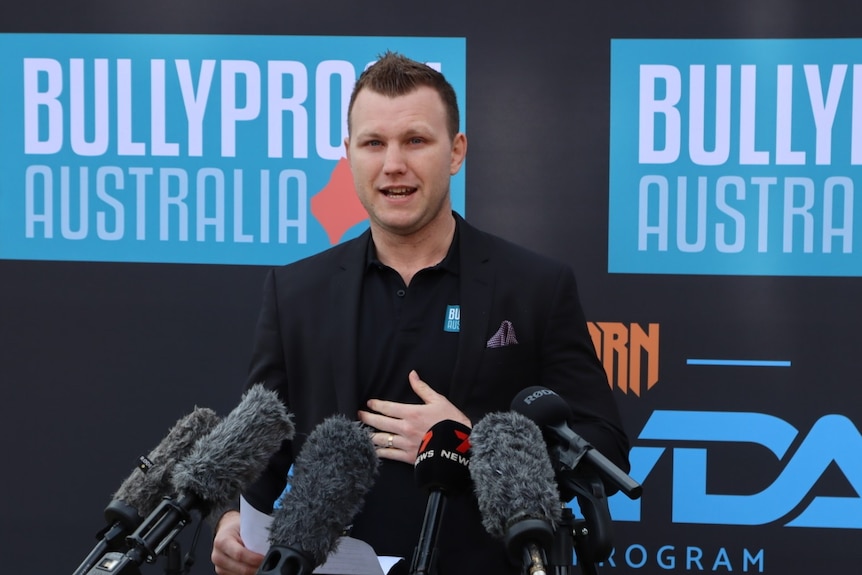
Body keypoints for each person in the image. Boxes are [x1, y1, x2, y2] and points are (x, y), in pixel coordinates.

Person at [211, 51, 629, 575]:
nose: (393, 165)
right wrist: (229, 519)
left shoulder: (535, 287)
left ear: (455, 152)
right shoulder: (296, 291)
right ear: (348, 154)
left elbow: (604, 454)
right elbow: (262, 447)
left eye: (415, 140)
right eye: (373, 143)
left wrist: (472, 444)